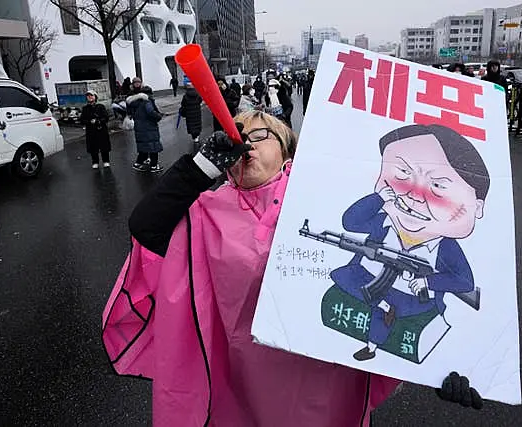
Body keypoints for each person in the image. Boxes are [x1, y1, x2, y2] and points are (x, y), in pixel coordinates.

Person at [102, 110, 484, 427]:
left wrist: (444, 369)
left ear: (288, 154)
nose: (246, 141)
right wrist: (200, 168)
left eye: (261, 133)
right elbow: (146, 227)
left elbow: (454, 283)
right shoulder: (203, 210)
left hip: (323, 387)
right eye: (236, 134)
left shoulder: (320, 201)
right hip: (238, 387)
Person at [331, 124, 489, 362]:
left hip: (412, 298)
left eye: (438, 186)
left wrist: (428, 281)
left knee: (387, 308)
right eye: (402, 173)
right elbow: (350, 222)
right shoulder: (383, 222)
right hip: (367, 280)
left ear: (476, 208)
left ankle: (372, 346)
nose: (414, 194)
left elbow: (464, 280)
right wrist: (378, 199)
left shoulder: (444, 247)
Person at [126, 85, 164, 172]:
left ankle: (138, 163)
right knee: (154, 147)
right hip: (149, 127)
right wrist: (158, 116)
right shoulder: (147, 102)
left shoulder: (135, 102)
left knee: (144, 147)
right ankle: (154, 166)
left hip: (139, 128)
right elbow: (151, 112)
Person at [80, 90, 111, 169]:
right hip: (91, 131)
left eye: (91, 95)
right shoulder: (85, 108)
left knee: (104, 146)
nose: (90, 97)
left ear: (95, 97)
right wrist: (89, 122)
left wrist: (98, 121)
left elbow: (106, 117)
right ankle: (95, 162)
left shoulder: (100, 106)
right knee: (93, 147)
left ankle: (106, 161)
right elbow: (82, 120)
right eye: (88, 96)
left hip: (101, 129)